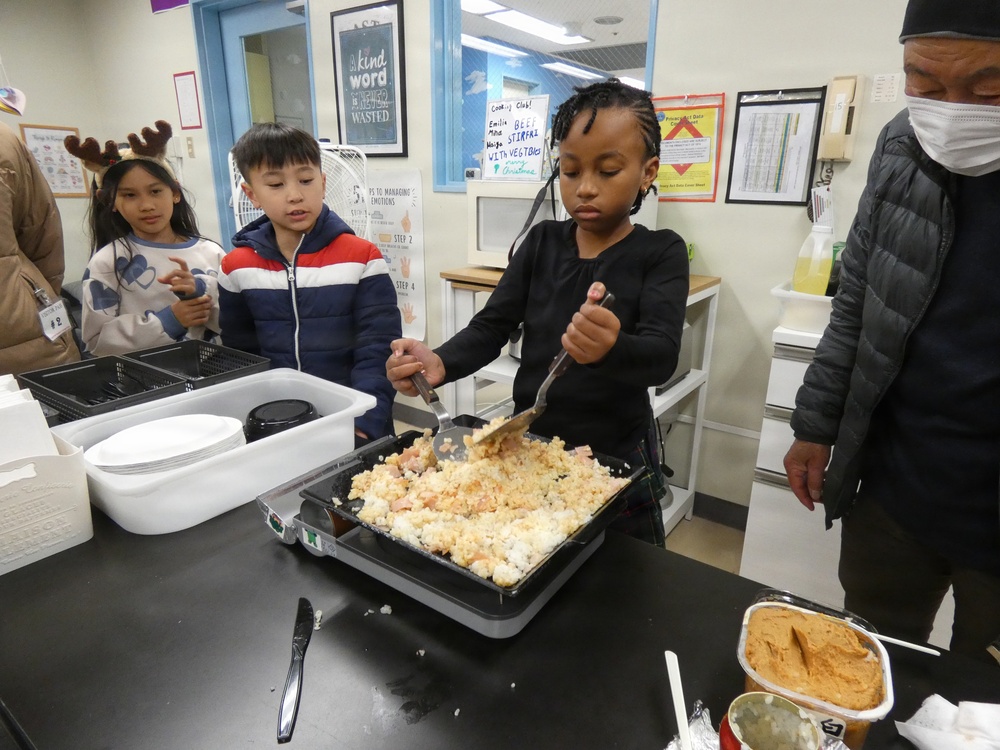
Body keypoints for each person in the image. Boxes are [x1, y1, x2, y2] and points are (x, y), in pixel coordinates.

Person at [783, 0, 1000, 662]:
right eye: (924, 83)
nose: (951, 110)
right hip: (893, 486)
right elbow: (856, 304)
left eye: (988, 89)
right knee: (869, 657)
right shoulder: (902, 146)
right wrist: (815, 424)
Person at [386, 79, 689, 546]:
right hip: (532, 441)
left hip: (616, 452)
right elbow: (491, 326)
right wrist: (441, 362)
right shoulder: (543, 242)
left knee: (627, 574)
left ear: (648, 173)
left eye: (608, 171)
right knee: (538, 556)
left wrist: (612, 348)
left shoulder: (660, 252)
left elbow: (662, 356)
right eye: (570, 171)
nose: (585, 188)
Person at [219, 123, 401, 446]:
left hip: (353, 420)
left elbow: (377, 348)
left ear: (323, 182)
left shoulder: (361, 257)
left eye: (306, 180)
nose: (295, 195)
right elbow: (241, 356)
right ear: (252, 195)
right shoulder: (236, 266)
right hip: (276, 425)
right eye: (275, 184)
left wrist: (364, 422)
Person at [65, 121, 224, 357]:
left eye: (155, 191)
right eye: (129, 195)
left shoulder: (212, 253)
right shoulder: (107, 263)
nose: (147, 205)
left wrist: (201, 293)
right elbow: (97, 342)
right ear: (110, 202)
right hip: (149, 382)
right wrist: (170, 320)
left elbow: (243, 320)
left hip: (221, 374)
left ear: (175, 193)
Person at [0, 121, 81, 375]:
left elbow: (39, 229)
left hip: (25, 325)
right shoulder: (4, 139)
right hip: (24, 325)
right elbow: (41, 232)